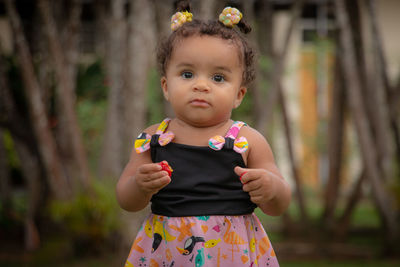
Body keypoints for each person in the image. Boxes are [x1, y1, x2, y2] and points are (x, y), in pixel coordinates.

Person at [116, 1, 291, 266]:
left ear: (239, 95)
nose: (200, 85)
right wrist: (139, 186)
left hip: (231, 250)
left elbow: (278, 205)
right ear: (166, 86)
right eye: (187, 74)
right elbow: (126, 200)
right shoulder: (151, 139)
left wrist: (270, 187)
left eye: (218, 78)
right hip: (168, 249)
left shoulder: (247, 140)